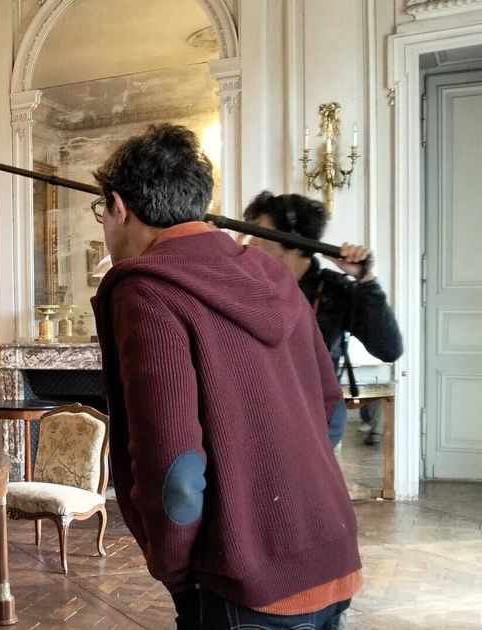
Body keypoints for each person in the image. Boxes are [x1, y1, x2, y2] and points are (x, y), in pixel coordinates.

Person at [89, 124, 361, 629]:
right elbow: (331, 413)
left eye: (100, 211)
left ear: (119, 207)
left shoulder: (147, 291)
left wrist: (176, 572)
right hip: (332, 551)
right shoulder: (273, 274)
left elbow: (175, 471)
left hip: (245, 583)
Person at [243, 192, 403, 446]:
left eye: (259, 232)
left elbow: (388, 348)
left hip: (316, 419)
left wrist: (365, 280)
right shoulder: (247, 285)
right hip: (257, 416)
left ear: (293, 241)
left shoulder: (333, 290)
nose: (252, 241)